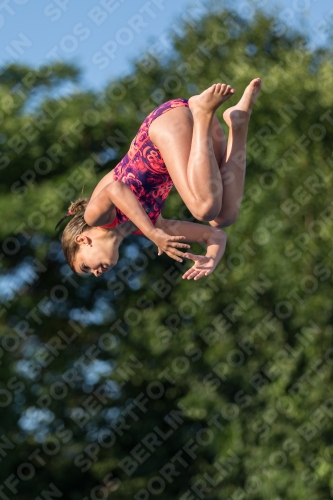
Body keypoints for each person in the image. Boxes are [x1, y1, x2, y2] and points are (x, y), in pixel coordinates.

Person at [57, 79, 261, 280]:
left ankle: (203, 112)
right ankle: (238, 122)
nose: (96, 273)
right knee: (224, 217)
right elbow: (215, 236)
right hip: (185, 130)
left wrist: (153, 234)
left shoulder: (95, 217)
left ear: (83, 239)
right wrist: (211, 258)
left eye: (85, 267)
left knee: (204, 208)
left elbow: (116, 189)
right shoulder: (144, 225)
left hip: (165, 126)